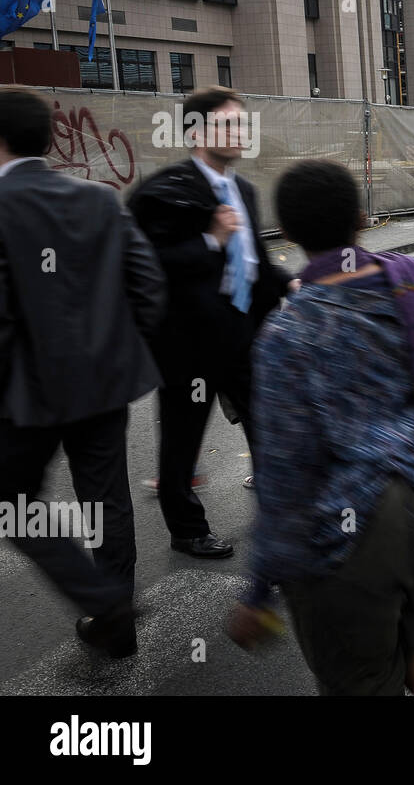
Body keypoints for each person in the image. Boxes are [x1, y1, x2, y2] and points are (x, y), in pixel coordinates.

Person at [226, 160, 414, 696]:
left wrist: (258, 590)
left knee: (359, 674)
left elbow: (285, 479)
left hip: (355, 530)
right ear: (362, 219)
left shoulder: (287, 334)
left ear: (288, 235)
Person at [0, 86, 166, 657]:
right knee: (107, 500)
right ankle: (115, 613)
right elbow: (148, 286)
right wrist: (117, 348)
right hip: (104, 381)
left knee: (13, 502)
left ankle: (101, 597)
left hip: (27, 394)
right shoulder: (98, 201)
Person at [128, 86, 292, 558]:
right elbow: (146, 263)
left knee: (269, 428)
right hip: (189, 344)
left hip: (246, 335)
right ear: (197, 131)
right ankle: (187, 529)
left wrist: (293, 286)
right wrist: (211, 241)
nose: (241, 133)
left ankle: (280, 524)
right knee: (182, 441)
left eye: (243, 124)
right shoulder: (164, 192)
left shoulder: (242, 190)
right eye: (229, 124)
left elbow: (256, 263)